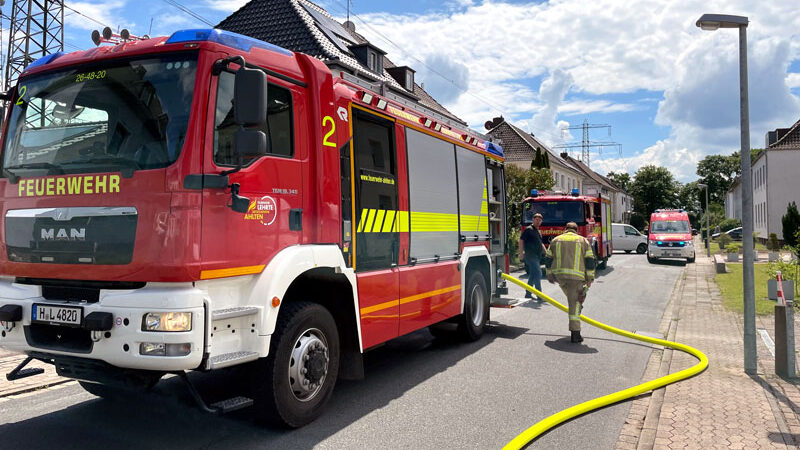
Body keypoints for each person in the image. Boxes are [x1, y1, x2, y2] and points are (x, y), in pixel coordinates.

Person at [544, 222, 596, 343]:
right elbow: (589, 261)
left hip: (560, 277)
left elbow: (547, 259)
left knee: (574, 300)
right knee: (575, 304)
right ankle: (575, 333)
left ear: (565, 229)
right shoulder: (583, 241)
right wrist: (590, 278)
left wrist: (549, 274)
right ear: (576, 230)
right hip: (576, 278)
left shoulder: (556, 240)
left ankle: (578, 308)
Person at [519, 213, 547, 300]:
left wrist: (546, 252)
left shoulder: (538, 231)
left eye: (539, 220)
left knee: (533, 274)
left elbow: (540, 242)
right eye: (536, 219)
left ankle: (528, 293)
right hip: (530, 255)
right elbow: (521, 240)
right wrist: (521, 253)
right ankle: (539, 295)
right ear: (532, 220)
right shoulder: (529, 230)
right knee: (538, 273)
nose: (538, 221)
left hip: (537, 256)